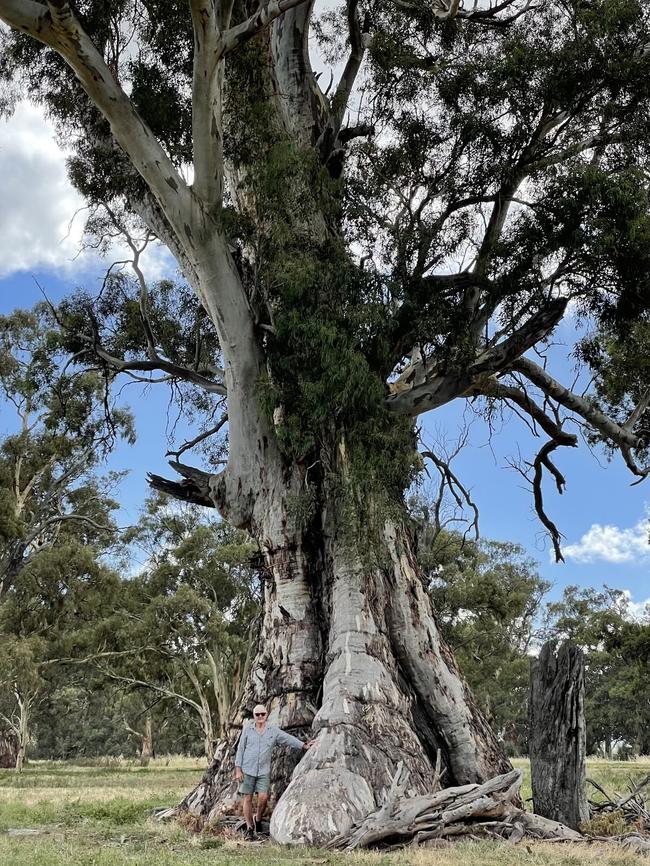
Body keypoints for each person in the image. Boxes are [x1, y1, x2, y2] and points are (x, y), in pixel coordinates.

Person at [234, 703, 314, 840]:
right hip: (247, 769)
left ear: (267, 715)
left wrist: (304, 745)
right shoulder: (247, 730)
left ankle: (258, 819)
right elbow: (240, 750)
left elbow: (287, 739)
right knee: (247, 798)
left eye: (262, 714)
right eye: (257, 714)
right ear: (253, 716)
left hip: (263, 771)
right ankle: (249, 827)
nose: (260, 716)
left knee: (263, 798)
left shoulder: (273, 731)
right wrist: (238, 769)